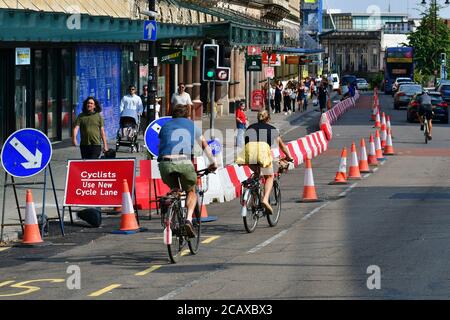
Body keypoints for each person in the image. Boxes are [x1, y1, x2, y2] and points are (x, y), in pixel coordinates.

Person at [158, 104, 218, 237]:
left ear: (172, 115)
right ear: (187, 115)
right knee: (191, 191)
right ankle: (188, 220)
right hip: (184, 162)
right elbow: (204, 144)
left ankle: (172, 214)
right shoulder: (191, 125)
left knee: (175, 189)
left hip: (164, 163)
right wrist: (213, 162)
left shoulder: (165, 126)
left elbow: (161, 144)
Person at [238, 110, 293, 215]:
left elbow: (247, 144)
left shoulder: (250, 128)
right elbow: (282, 146)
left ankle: (254, 199)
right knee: (269, 176)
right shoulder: (272, 129)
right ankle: (265, 199)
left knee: (257, 175)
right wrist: (289, 157)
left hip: (248, 152)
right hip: (262, 152)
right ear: (268, 119)